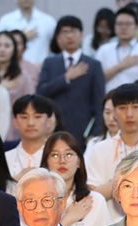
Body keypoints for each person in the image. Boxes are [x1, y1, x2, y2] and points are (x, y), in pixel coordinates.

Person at [85, 83, 138, 221]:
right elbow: (92, 196)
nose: (129, 114)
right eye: (122, 108)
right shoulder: (99, 150)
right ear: (114, 112)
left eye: (135, 107)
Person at [38, 16, 105, 147]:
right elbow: (41, 92)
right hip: (53, 129)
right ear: (58, 38)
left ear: (82, 36)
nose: (69, 36)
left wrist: (96, 132)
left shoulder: (93, 65)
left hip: (83, 130)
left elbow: (99, 102)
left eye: (73, 31)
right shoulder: (50, 63)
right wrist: (66, 78)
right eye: (65, 32)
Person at [41, 131, 111, 226]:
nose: (62, 161)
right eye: (55, 155)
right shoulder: (37, 202)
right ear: (46, 162)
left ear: (79, 162)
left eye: (68, 154)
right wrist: (67, 220)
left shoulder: (95, 201)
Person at [96, 7, 138, 92]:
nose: (123, 27)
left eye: (128, 24)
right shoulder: (103, 50)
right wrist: (120, 66)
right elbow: (96, 80)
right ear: (114, 26)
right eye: (120, 24)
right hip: (108, 101)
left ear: (137, 26)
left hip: (135, 102)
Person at [0, 31, 35, 142]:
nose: (2, 49)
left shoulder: (22, 76)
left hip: (13, 132)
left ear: (14, 50)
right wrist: (0, 88)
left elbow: (30, 104)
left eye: (7, 46)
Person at [5, 94, 55, 181]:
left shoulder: (59, 158)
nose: (30, 123)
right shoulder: (5, 159)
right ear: (15, 123)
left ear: (49, 122)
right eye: (24, 117)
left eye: (37, 117)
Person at [0, 0, 56, 66]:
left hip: (42, 68)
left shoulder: (48, 21)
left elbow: (57, 47)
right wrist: (21, 38)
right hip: (13, 70)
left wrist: (48, 63)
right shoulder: (6, 20)